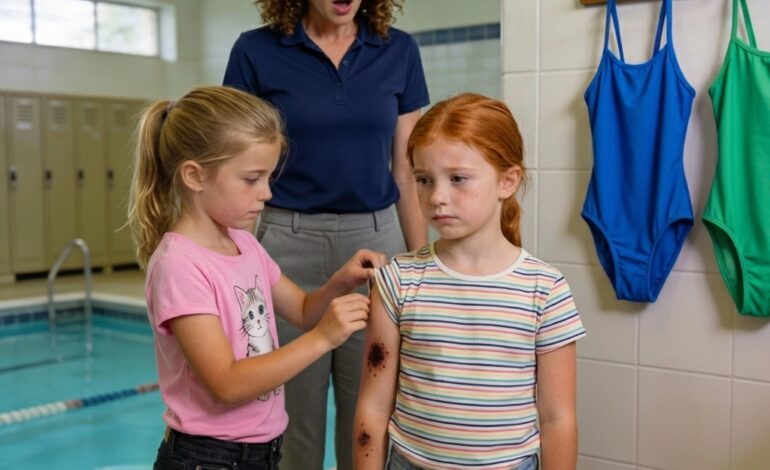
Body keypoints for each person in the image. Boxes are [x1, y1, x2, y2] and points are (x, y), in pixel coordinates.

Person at [126, 86, 387, 470]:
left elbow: (300, 309)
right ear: (195, 176)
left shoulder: (243, 244)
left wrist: (340, 282)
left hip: (260, 452)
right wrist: (322, 340)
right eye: (251, 179)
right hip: (207, 457)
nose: (266, 193)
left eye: (268, 177)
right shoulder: (179, 265)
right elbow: (227, 383)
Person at [222, 1, 430, 469]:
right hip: (286, 243)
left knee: (369, 411)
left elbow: (406, 169)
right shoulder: (255, 51)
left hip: (379, 244)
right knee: (295, 413)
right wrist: (229, 259)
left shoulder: (398, 51)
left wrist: (422, 263)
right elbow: (237, 164)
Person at [354, 93, 587, 470]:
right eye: (424, 180)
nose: (437, 197)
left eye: (458, 179)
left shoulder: (544, 289)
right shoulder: (397, 280)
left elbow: (558, 419)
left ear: (507, 181)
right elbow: (372, 406)